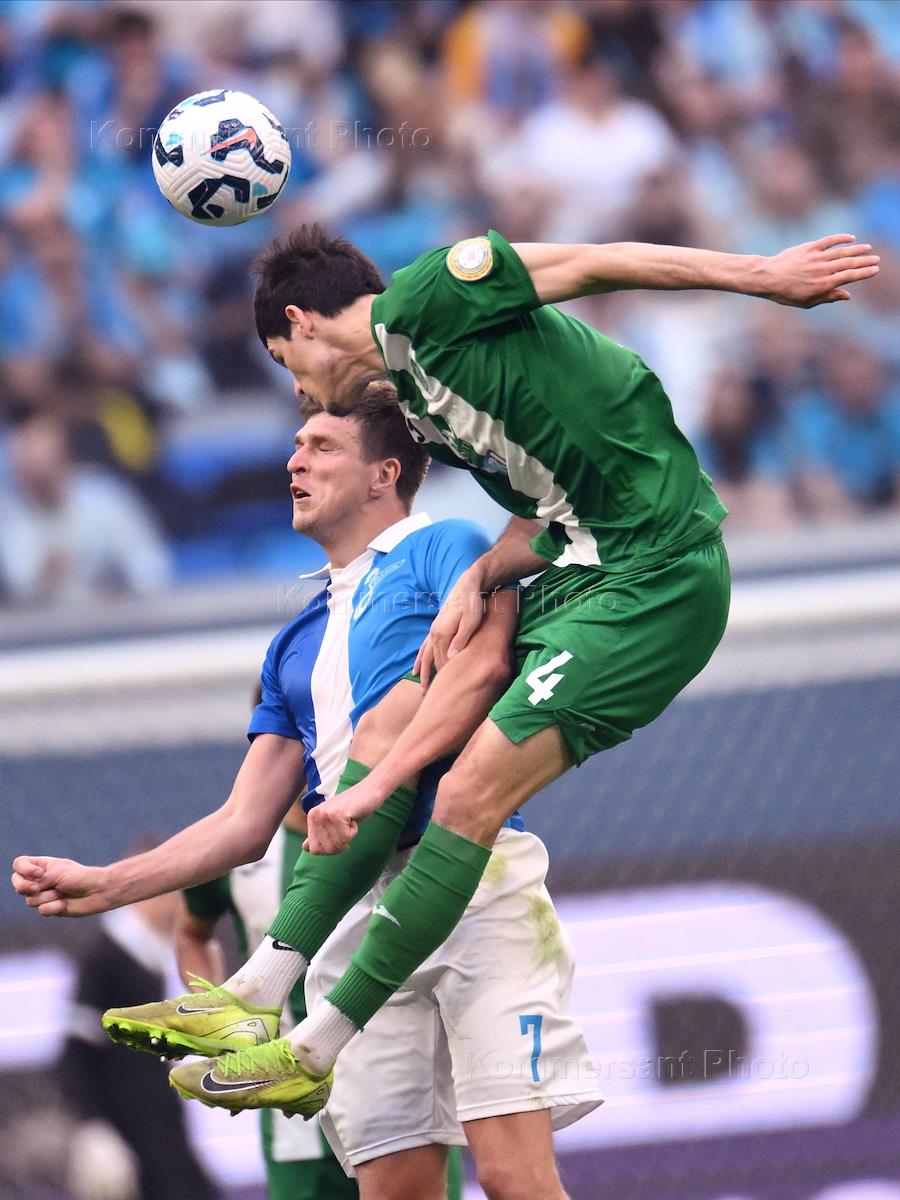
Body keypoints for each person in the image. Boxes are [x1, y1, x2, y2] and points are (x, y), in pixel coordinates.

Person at [13, 225, 879, 1118]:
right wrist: (482, 575)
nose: (296, 389)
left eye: (284, 360)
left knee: (468, 795)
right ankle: (257, 991)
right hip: (585, 566)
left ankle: (313, 1047)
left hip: (658, 575)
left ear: (302, 323)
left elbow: (587, 263)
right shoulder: (424, 409)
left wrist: (762, 275)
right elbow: (541, 510)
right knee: (393, 713)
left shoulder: (430, 299)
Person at [14, 383, 602, 1200]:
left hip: (471, 884)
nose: (295, 461)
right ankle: (256, 996)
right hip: (348, 917)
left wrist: (378, 782)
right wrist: (109, 884)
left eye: (322, 447)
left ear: (384, 475)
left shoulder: (447, 548)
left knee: (512, 1177)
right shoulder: (294, 641)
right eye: (295, 447)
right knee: (393, 1189)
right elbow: (244, 821)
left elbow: (484, 667)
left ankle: (253, 992)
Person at [176, 801, 361, 1200]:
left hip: (395, 1080)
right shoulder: (237, 848)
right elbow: (192, 933)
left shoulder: (393, 826)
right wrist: (219, 1021)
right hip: (291, 1112)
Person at [59, 883, 218, 1200]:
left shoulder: (156, 954)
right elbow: (76, 1054)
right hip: (129, 1129)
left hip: (162, 1123)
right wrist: (94, 1127)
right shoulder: (105, 957)